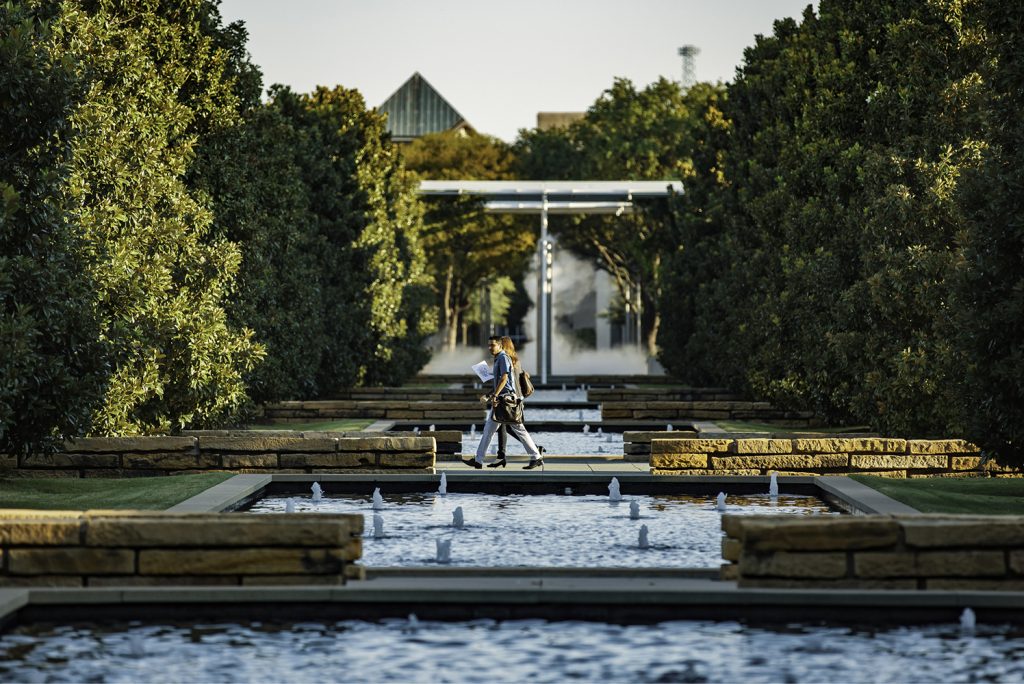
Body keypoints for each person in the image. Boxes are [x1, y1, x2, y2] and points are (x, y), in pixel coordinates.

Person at [463, 335, 544, 470]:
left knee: (519, 429)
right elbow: (502, 380)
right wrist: (492, 395)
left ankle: (536, 456)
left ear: (500, 346)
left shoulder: (503, 358)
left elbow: (505, 377)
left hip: (506, 400)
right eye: (488, 345)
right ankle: (478, 460)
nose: (490, 348)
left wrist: (494, 395)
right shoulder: (499, 359)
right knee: (489, 430)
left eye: (492, 345)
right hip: (502, 400)